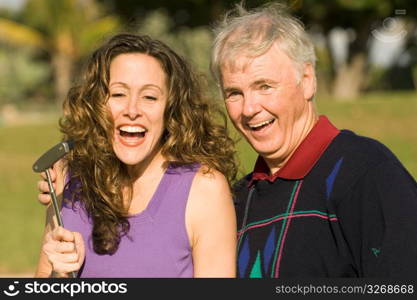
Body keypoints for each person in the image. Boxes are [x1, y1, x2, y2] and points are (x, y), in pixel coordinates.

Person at [209, 2, 417, 278]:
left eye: (265, 86)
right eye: (234, 93)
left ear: (307, 80)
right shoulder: (236, 199)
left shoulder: (365, 172)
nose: (249, 109)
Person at [35, 33, 238, 278]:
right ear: (97, 103)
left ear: (171, 109)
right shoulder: (67, 179)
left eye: (149, 97)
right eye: (118, 94)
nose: (132, 110)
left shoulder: (204, 189)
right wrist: (59, 275)